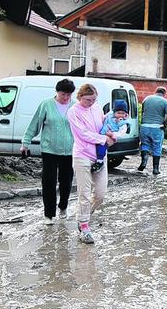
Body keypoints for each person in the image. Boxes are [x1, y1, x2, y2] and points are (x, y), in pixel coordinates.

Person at [67, 84, 118, 243]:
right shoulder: (73, 112)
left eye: (94, 99)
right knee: (84, 193)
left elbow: (102, 127)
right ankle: (84, 227)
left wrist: (112, 132)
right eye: (88, 100)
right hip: (82, 155)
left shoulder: (96, 108)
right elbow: (82, 134)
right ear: (80, 97)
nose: (91, 102)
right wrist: (104, 139)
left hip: (100, 155)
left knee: (100, 194)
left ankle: (83, 217)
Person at [21, 78, 76, 225]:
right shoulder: (46, 104)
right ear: (57, 92)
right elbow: (34, 125)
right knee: (49, 182)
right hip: (49, 150)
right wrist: (25, 143)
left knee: (66, 182)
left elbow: (83, 128)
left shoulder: (75, 106)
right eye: (63, 94)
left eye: (69, 95)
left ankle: (63, 206)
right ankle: (49, 214)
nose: (66, 98)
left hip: (69, 151)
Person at [138, 86, 167, 175]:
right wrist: (165, 124)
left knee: (145, 144)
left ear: (155, 91)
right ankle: (155, 169)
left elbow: (142, 112)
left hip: (144, 126)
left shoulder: (146, 99)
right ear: (164, 93)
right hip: (157, 128)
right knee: (157, 147)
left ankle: (144, 161)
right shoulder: (165, 101)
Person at [91, 99, 131, 173]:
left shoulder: (123, 123)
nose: (120, 115)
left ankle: (99, 162)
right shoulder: (109, 115)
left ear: (126, 114)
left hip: (109, 137)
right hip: (101, 133)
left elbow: (121, 133)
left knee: (101, 147)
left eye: (123, 113)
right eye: (118, 113)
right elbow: (103, 118)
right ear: (114, 112)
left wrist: (112, 134)